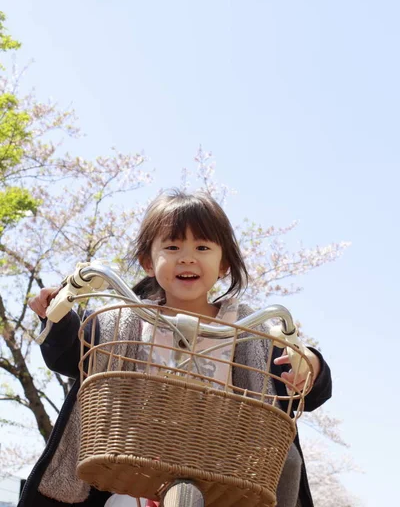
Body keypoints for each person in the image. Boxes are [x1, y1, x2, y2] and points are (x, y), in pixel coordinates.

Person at [19, 190, 332, 507]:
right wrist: (56, 316)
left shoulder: (251, 329)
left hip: (226, 471)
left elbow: (300, 381)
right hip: (136, 466)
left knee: (280, 464)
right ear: (148, 262)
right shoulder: (126, 322)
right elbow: (71, 354)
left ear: (223, 264)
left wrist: (309, 366)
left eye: (202, 247)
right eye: (172, 247)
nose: (187, 257)